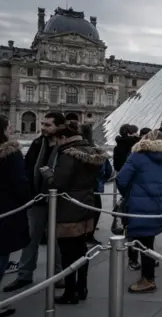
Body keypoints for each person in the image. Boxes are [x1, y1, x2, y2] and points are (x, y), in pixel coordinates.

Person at [45, 120, 108, 304]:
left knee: (67, 253)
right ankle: (82, 288)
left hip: (68, 209)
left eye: (57, 140)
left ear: (64, 137)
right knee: (81, 250)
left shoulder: (67, 155)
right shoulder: (90, 151)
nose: (56, 143)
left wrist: (48, 174)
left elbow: (58, 183)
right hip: (86, 205)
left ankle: (70, 293)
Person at [3, 112, 65, 294]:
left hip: (60, 200)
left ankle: (58, 275)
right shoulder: (38, 143)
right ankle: (24, 275)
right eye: (43, 124)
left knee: (57, 240)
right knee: (31, 239)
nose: (43, 128)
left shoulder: (66, 146)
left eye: (48, 125)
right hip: (37, 199)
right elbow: (27, 168)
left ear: (59, 127)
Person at [116, 129, 162, 293]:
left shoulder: (137, 156)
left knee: (142, 243)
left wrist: (129, 194)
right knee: (148, 241)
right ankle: (147, 277)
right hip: (158, 204)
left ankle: (148, 279)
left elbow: (121, 179)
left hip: (139, 204)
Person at [0, 116, 31, 317]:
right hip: (6, 211)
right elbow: (20, 184)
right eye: (9, 127)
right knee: (1, 255)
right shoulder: (11, 154)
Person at [80, 123, 112, 246]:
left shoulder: (73, 149)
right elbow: (108, 170)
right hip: (95, 186)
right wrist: (101, 180)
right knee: (95, 210)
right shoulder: (97, 149)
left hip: (78, 188)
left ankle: (81, 234)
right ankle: (90, 235)